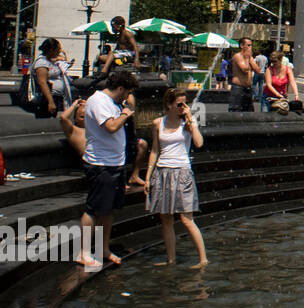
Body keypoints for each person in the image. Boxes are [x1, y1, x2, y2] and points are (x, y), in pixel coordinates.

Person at [76, 69, 138, 268]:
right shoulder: (99, 102)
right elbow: (110, 127)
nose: (128, 97)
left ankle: (103, 249)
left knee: (108, 210)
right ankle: (83, 252)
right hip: (101, 164)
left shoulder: (112, 102)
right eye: (127, 92)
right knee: (94, 208)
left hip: (114, 163)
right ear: (120, 88)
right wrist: (125, 114)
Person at [144, 88, 207, 268]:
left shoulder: (187, 123)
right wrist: (148, 176)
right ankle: (170, 259)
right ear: (169, 104)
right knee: (166, 219)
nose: (183, 107)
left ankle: (203, 259)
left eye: (185, 103)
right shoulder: (158, 123)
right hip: (162, 171)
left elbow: (199, 143)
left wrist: (191, 121)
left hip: (182, 171)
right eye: (179, 104)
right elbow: (155, 150)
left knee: (187, 218)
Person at [31, 38, 74, 118]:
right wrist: (50, 102)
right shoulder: (42, 63)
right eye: (58, 49)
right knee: (46, 123)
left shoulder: (49, 60)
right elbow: (42, 82)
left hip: (56, 97)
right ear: (51, 50)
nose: (59, 52)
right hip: (46, 99)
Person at [227, 37, 255, 112]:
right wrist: (248, 59)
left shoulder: (249, 57)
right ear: (241, 46)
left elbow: (257, 70)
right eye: (248, 45)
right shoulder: (238, 56)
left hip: (248, 88)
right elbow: (245, 69)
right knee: (235, 110)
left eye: (251, 45)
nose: (250, 47)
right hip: (238, 88)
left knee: (249, 111)